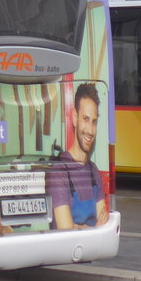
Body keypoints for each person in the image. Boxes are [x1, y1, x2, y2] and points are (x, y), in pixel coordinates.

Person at [47, 83, 109, 230]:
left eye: (94, 122)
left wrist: (80, 227)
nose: (90, 130)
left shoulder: (93, 171)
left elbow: (104, 224)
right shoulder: (59, 172)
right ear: (75, 118)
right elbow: (66, 231)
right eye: (85, 119)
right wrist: (94, 229)